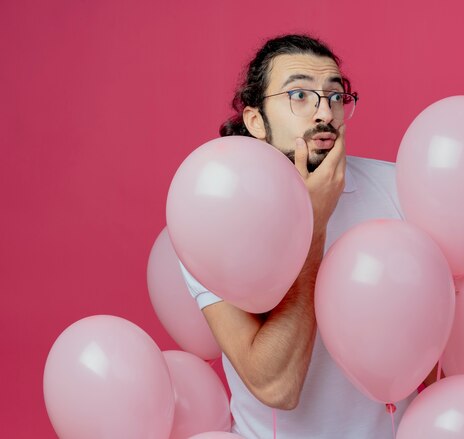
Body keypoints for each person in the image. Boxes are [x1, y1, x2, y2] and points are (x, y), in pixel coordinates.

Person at [180, 34, 425, 438]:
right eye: (299, 95)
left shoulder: (403, 190)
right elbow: (276, 386)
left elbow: (438, 361)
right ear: (255, 120)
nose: (323, 112)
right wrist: (315, 223)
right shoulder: (213, 212)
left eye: (333, 96)